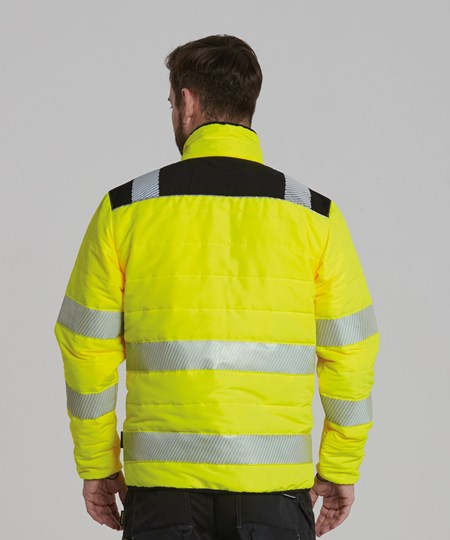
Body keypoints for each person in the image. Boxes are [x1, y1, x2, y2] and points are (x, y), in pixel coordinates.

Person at [54, 34, 380, 539]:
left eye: (171, 102)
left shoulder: (124, 209)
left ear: (187, 102)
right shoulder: (315, 216)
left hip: (162, 494)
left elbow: (85, 348)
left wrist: (98, 463)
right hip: (274, 493)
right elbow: (351, 352)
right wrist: (339, 465)